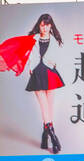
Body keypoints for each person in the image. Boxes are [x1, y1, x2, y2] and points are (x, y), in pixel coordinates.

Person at [0, 13, 65, 153]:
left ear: (51, 26)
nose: (45, 28)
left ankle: (44, 136)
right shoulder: (32, 39)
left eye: (47, 25)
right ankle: (53, 136)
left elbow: (58, 57)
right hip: (37, 72)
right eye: (43, 25)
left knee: (49, 106)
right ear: (39, 25)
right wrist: (29, 68)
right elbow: (24, 53)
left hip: (51, 72)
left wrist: (54, 64)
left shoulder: (55, 40)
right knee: (44, 106)